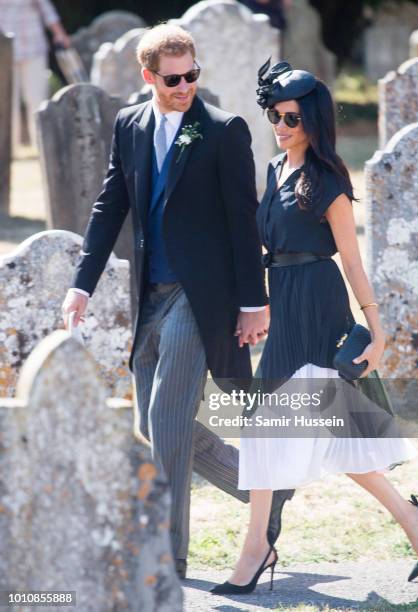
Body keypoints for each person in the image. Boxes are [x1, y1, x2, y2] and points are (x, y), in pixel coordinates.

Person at [61, 25, 294, 580]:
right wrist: (81, 284)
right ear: (149, 77)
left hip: (201, 297)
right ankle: (264, 489)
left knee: (167, 419)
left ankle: (167, 557)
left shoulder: (223, 130)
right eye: (174, 78)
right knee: (154, 421)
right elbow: (109, 205)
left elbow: (243, 219)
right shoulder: (130, 125)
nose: (186, 85)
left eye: (193, 74)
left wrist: (253, 302)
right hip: (151, 295)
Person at [210, 61, 418, 595]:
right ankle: (416, 520)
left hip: (319, 306)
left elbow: (353, 261)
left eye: (291, 116)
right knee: (340, 441)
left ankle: (256, 549)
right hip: (284, 303)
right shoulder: (273, 170)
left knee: (263, 427)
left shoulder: (329, 181)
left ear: (313, 120)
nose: (281, 124)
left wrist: (378, 331)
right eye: (274, 114)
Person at [0, 0, 71, 151]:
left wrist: (59, 34)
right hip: (3, 50)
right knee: (6, 102)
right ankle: (7, 148)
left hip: (33, 47)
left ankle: (42, 146)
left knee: (37, 98)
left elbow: (47, 10)